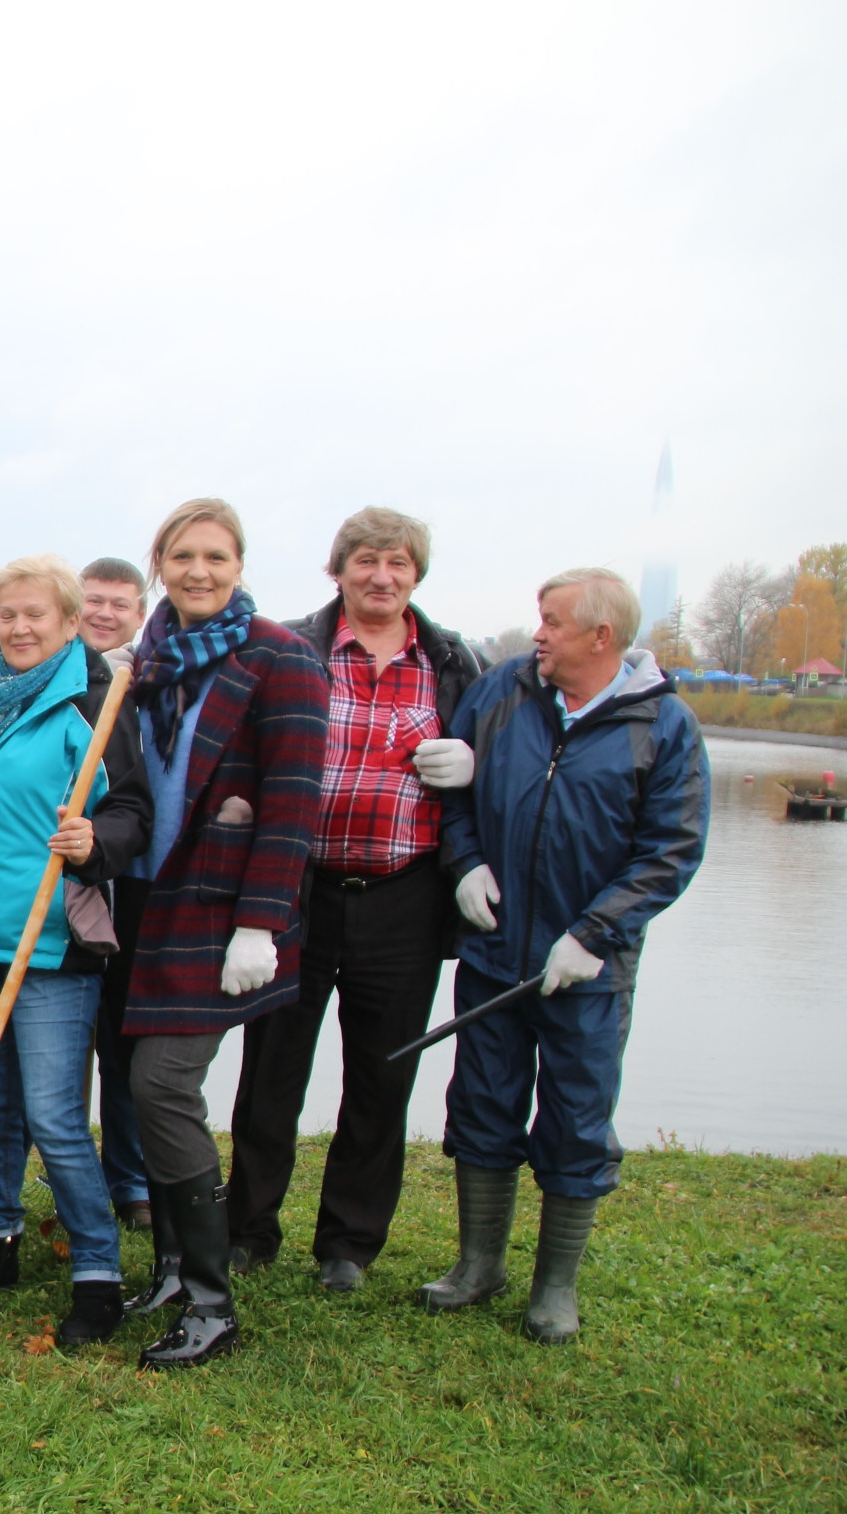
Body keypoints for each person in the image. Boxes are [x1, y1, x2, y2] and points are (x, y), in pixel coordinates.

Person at [419, 568, 706, 1344]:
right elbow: (455, 793)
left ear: (600, 637)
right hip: (494, 951)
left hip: (586, 971)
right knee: (481, 1104)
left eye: (550, 621)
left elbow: (670, 851)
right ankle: (478, 1265)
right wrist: (466, 863)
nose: (537, 633)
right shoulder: (508, 692)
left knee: (577, 1119)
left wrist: (594, 933)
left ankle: (555, 1287)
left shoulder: (664, 726)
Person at [224, 508, 488, 1289]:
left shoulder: (451, 663)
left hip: (402, 895)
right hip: (298, 886)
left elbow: (493, 764)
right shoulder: (290, 648)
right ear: (337, 569)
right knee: (272, 1068)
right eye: (366, 561)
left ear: (417, 575)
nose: (382, 576)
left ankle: (348, 1243)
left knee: (382, 1074)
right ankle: (248, 1229)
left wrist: (475, 761)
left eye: (398, 563)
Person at [0, 556, 153, 1345]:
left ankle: (98, 1273)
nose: (18, 628)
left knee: (53, 1113)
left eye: (35, 615)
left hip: (52, 942)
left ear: (70, 623)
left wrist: (94, 841)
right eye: (8, 614)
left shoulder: (95, 700)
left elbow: (134, 811)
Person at [114, 499, 328, 1368]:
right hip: (139, 901)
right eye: (182, 556)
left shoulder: (282, 659)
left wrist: (259, 925)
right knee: (139, 1086)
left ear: (239, 565)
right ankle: (169, 1268)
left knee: (163, 1087)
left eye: (216, 556)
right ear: (158, 563)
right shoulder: (144, 663)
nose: (199, 571)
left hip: (217, 910)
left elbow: (290, 805)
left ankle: (211, 1301)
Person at [76, 555, 154, 1227]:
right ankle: (59, 1167)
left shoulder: (145, 682)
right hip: (64, 879)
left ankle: (129, 1179)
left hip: (128, 880)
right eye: (92, 600)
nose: (104, 614)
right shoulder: (55, 671)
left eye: (119, 605)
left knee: (124, 1040)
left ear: (139, 614)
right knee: (62, 1035)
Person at [78, 557, 147, 663]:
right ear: (73, 606)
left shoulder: (155, 673)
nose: (105, 614)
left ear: (141, 617)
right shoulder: (45, 663)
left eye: (120, 605)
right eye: (95, 601)